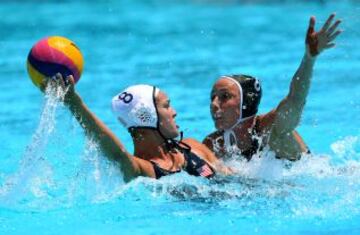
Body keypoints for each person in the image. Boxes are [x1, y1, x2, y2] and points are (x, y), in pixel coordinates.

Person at [203, 14, 342, 161]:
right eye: (213, 97)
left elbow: (296, 99)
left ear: (246, 103)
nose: (213, 104)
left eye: (224, 96)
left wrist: (309, 59)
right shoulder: (214, 144)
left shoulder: (273, 129)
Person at [42, 75, 229, 182]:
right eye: (166, 106)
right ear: (147, 116)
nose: (174, 112)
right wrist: (75, 104)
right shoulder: (141, 170)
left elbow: (234, 178)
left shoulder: (193, 147)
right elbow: (117, 154)